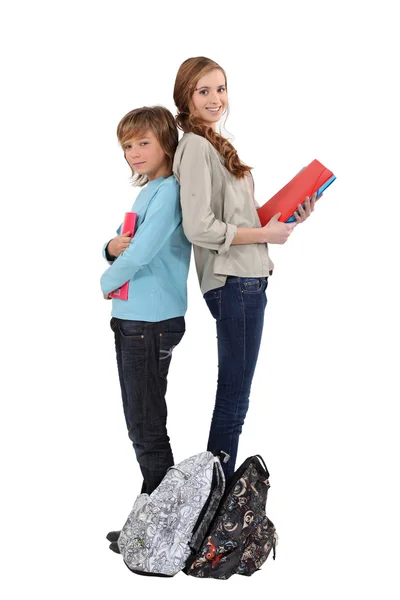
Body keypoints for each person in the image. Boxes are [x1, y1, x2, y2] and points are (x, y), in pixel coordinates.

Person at [172, 57, 316, 480]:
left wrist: (287, 218)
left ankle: (211, 507)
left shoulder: (215, 143)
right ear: (186, 97)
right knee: (233, 399)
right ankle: (211, 509)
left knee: (236, 397)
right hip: (233, 281)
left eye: (221, 89)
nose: (216, 99)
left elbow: (244, 217)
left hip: (249, 278)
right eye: (204, 91)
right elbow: (199, 227)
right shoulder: (196, 146)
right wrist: (264, 236)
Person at [100, 106, 191, 498]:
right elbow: (122, 243)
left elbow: (139, 254)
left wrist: (106, 280)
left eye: (143, 143)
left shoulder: (169, 191)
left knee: (146, 424)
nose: (134, 152)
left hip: (148, 322)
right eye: (127, 146)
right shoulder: (149, 191)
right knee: (142, 421)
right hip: (133, 319)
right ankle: (152, 519)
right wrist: (108, 248)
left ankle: (165, 526)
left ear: (165, 142)